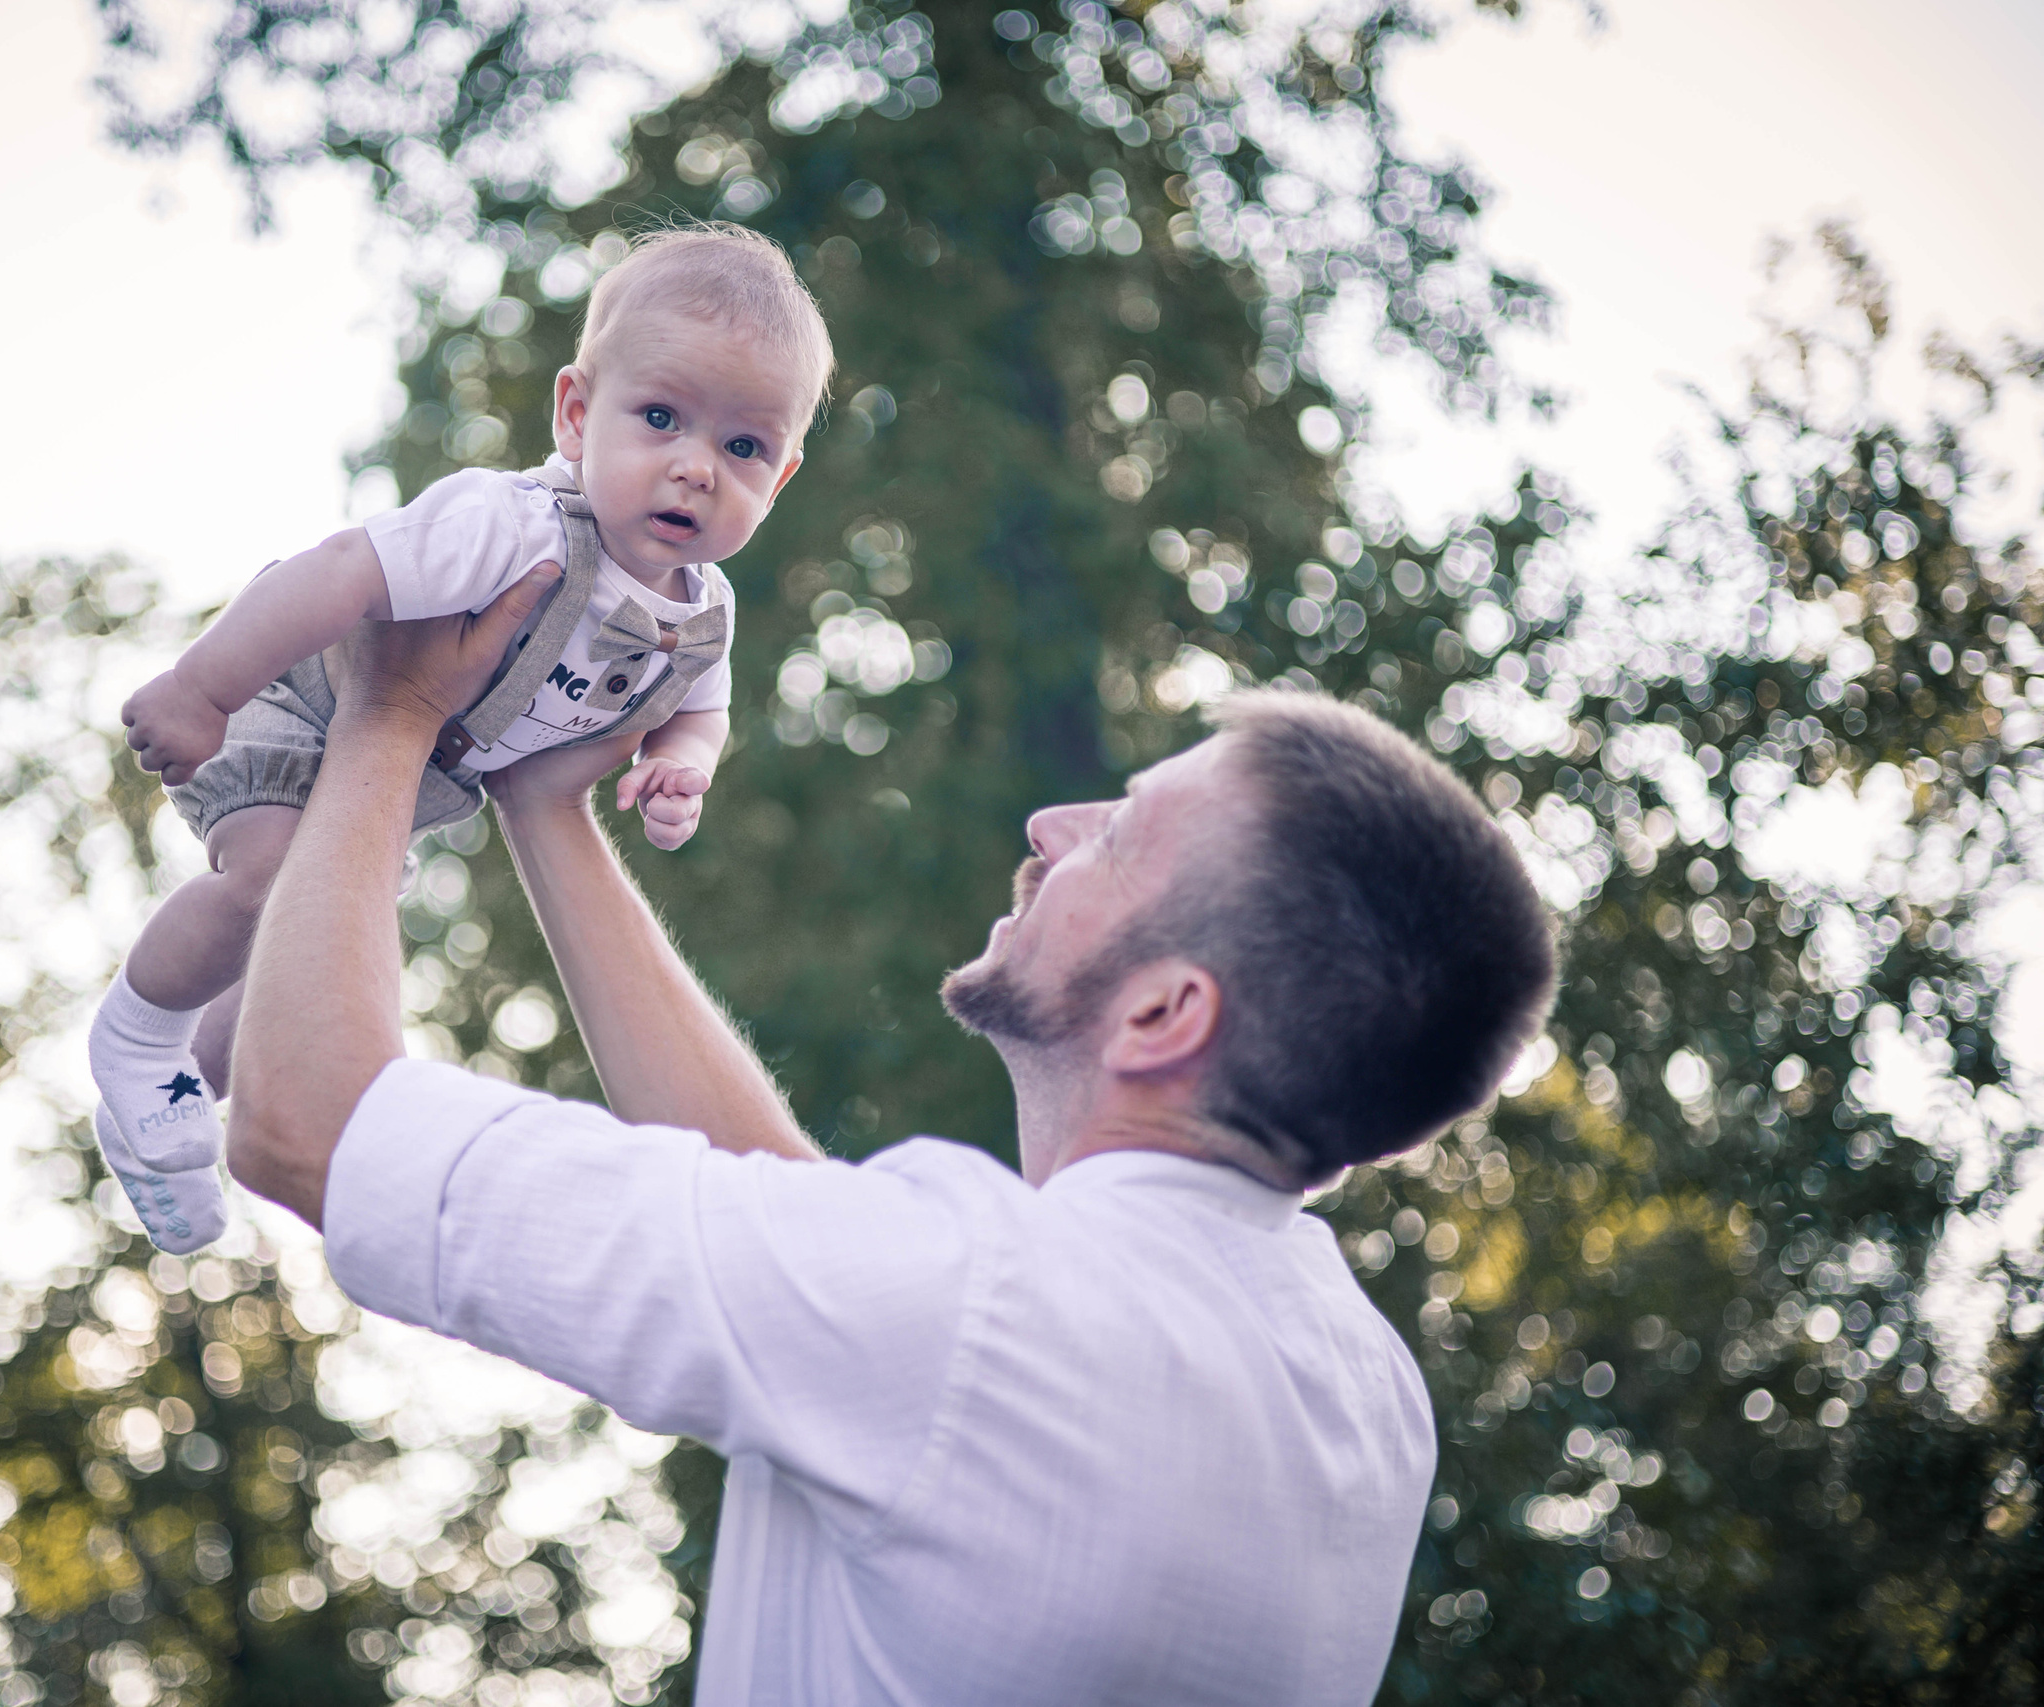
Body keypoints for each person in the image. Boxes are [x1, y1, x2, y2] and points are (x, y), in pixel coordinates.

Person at [226, 580, 1560, 1706]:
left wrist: (391, 708)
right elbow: (823, 1266)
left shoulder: (962, 1306)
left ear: (1164, 1012)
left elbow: (304, 1115)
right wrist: (547, 806)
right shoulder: (1365, 1395)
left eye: (1121, 835)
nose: (1053, 829)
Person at [86, 224, 833, 1253]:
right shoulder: (514, 525)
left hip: (399, 782)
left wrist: (680, 770)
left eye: (741, 447)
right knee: (267, 879)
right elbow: (343, 568)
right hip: (300, 705)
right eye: (660, 419)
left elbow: (701, 707)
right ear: (577, 415)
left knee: (305, 959)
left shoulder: (704, 611)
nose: (696, 468)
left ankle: (180, 1096)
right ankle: (136, 1036)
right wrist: (201, 686)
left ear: (781, 475)